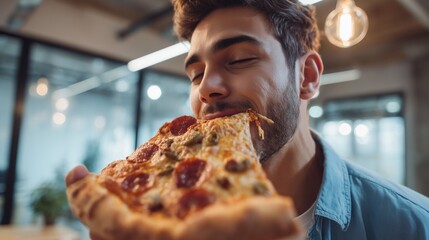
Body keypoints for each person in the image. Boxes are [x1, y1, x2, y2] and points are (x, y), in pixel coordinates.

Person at [66, 0, 429, 239]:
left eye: (238, 59)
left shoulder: (413, 225)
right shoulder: (162, 214)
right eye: (195, 74)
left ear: (307, 77)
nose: (206, 87)